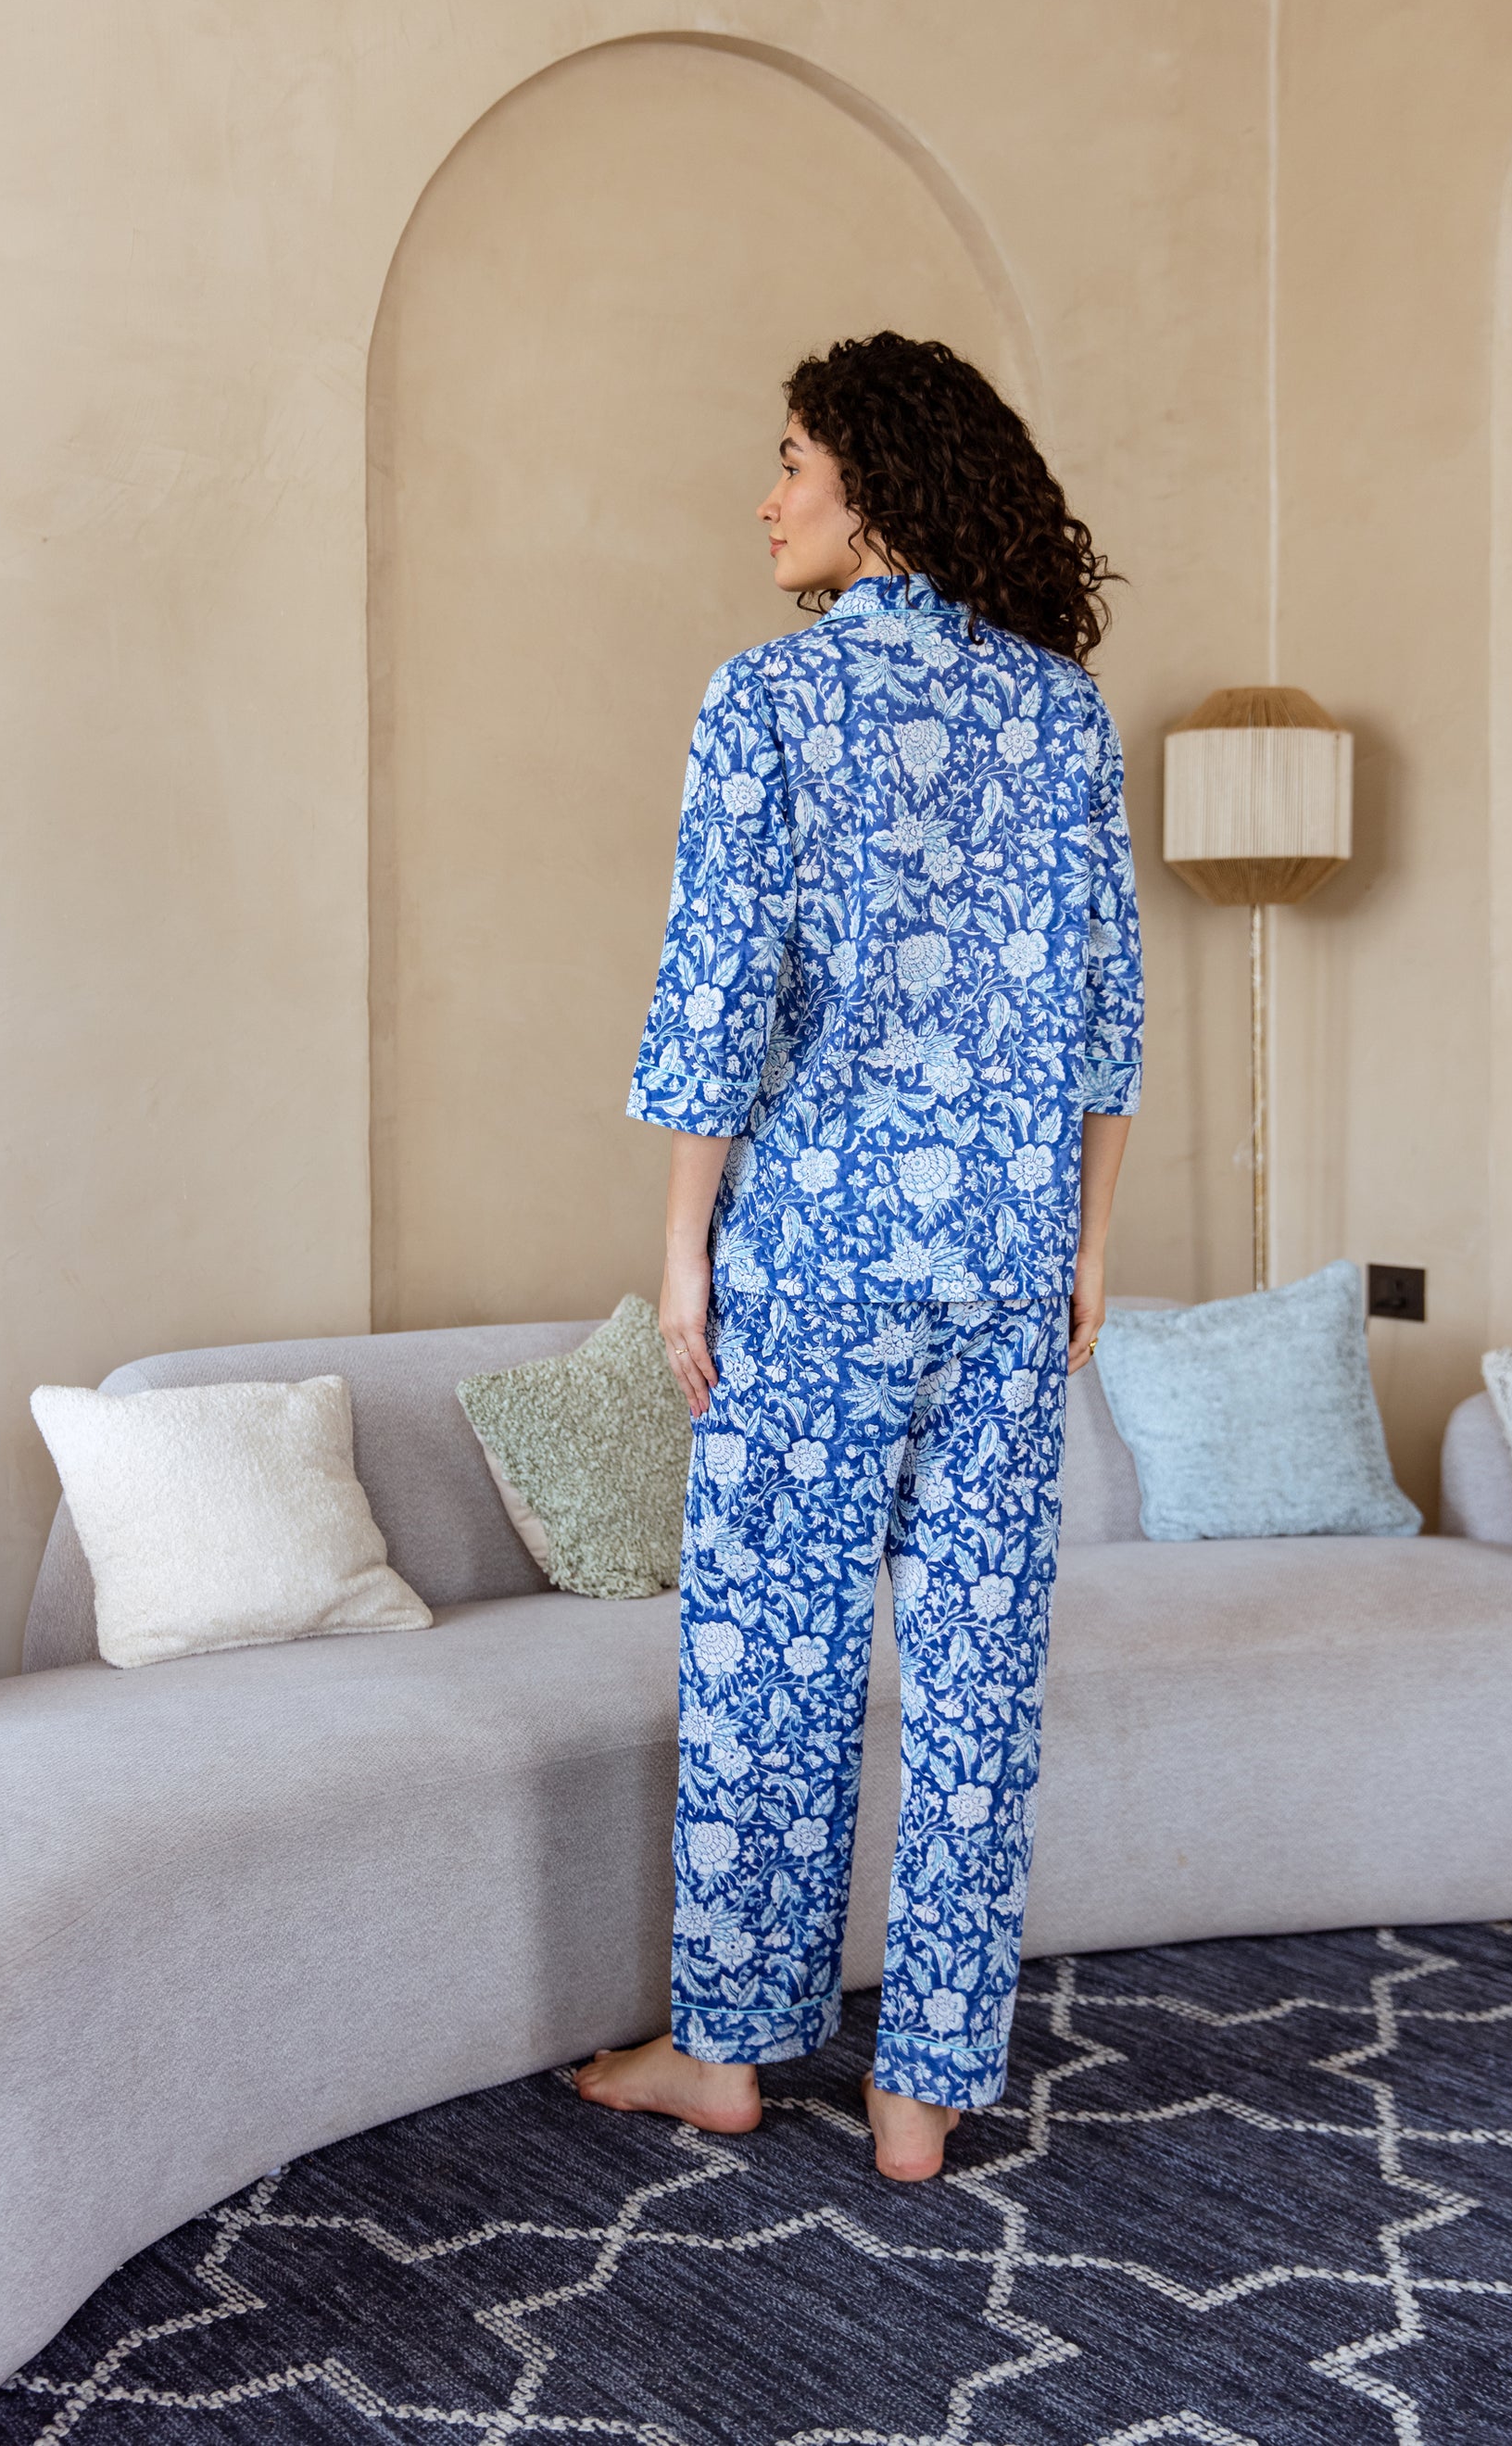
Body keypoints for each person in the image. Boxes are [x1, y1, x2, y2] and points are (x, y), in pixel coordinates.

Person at [577, 331, 1143, 2180]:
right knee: (979, 1669)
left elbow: (716, 1000)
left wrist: (683, 1251)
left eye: (793, 466)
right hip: (1011, 1248)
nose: (767, 501)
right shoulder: (1059, 710)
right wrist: (1088, 1246)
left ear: (874, 492)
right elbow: (1102, 1013)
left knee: (772, 1663)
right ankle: (922, 2093)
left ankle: (727, 2056)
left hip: (814, 1254)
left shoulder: (764, 699)